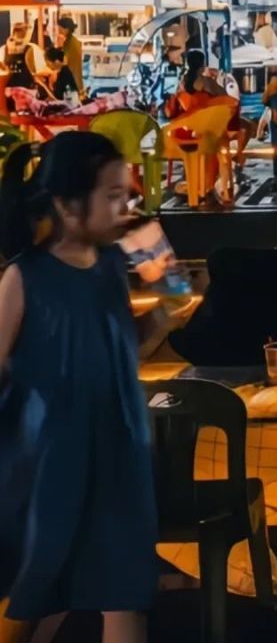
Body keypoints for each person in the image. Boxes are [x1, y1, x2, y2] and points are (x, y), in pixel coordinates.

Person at [0, 133, 157, 641]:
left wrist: (169, 301)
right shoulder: (25, 277)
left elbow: (130, 346)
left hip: (118, 449)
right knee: (36, 592)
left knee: (124, 593)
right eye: (114, 196)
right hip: (52, 462)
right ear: (68, 206)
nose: (129, 205)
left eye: (129, 193)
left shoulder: (113, 264)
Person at [56, 15, 85, 94]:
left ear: (66, 29)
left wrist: (59, 47)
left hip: (72, 80)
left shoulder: (69, 43)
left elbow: (64, 61)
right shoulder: (74, 41)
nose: (59, 31)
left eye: (60, 28)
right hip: (77, 80)